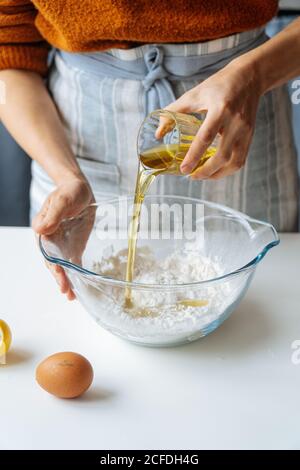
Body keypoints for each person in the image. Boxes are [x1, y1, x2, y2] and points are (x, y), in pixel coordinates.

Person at [0, 1, 299, 300]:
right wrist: (67, 176)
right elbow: (7, 51)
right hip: (72, 140)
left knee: (265, 300)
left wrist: (254, 74)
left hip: (240, 118)